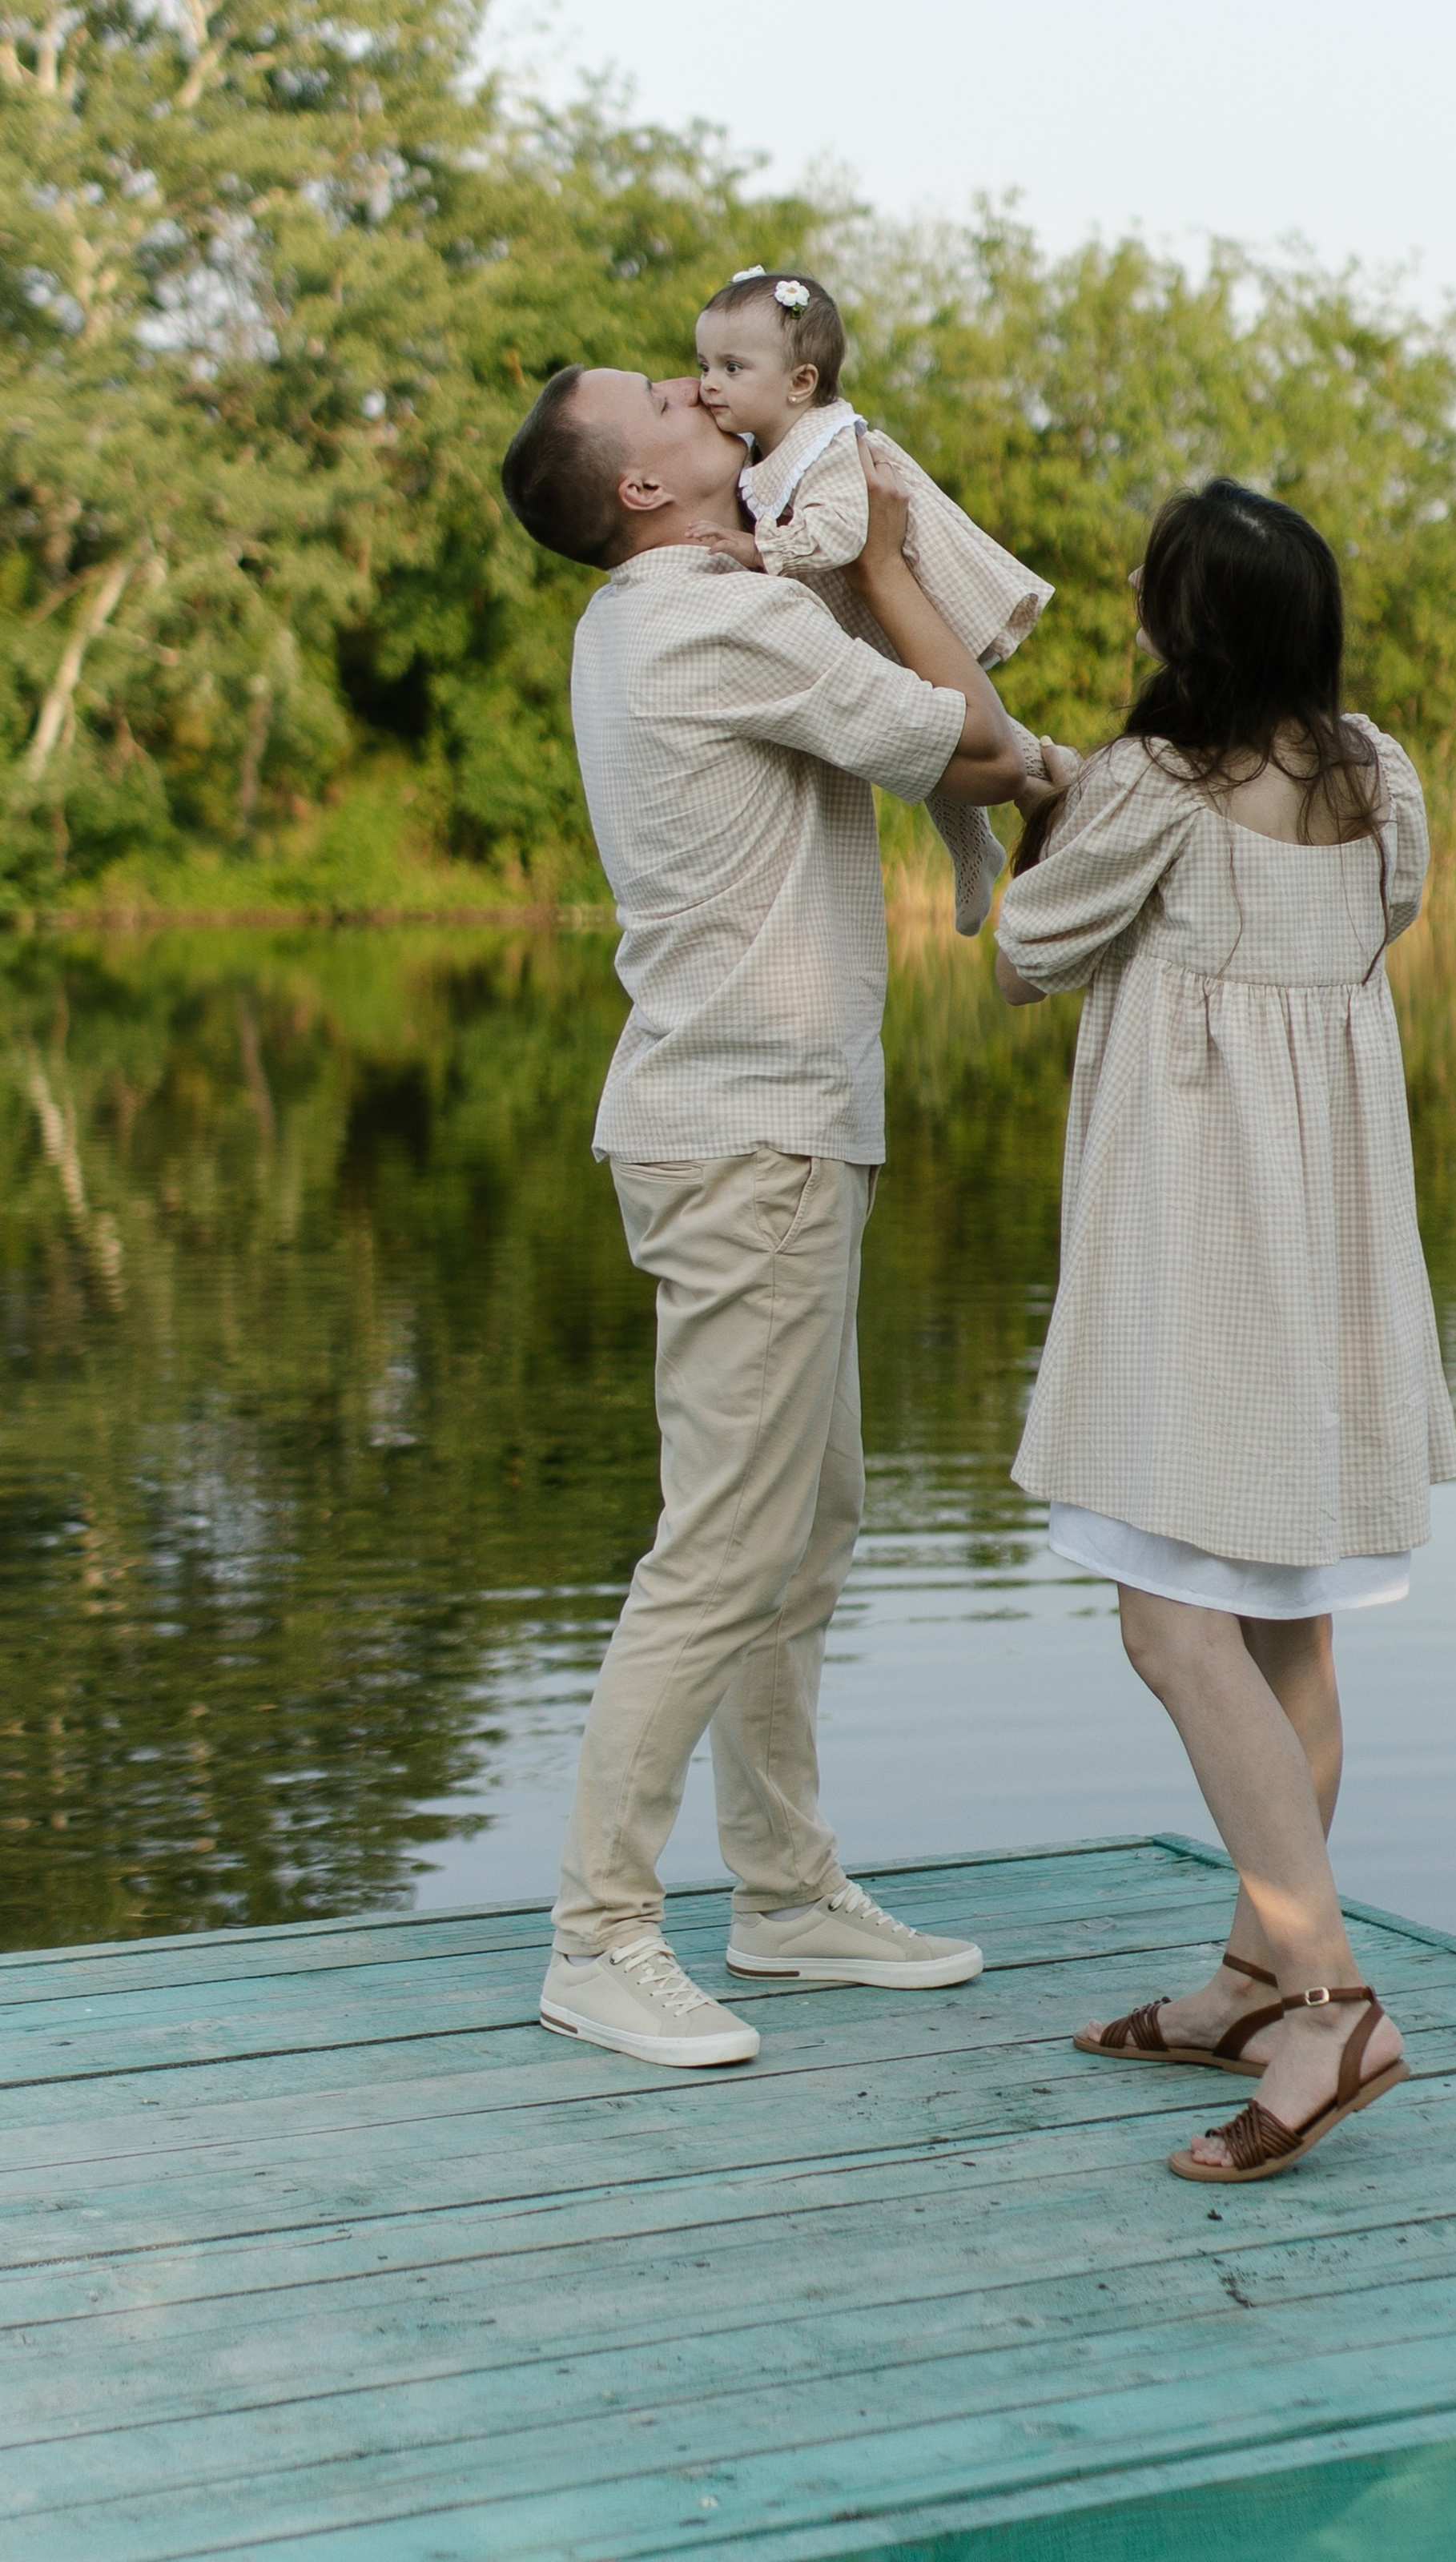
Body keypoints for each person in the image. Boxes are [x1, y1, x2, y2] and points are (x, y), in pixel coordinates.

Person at [500, 364, 1051, 2069]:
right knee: (728, 1545)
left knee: (803, 1528)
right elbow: (969, 746)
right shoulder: (708, 623)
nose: (692, 384)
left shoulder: (666, 609)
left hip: (762, 1133)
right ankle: (598, 1937)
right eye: (658, 398)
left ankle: (787, 1893)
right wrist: (880, 556)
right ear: (640, 490)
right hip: (749, 1140)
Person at [995, 477, 1456, 2182]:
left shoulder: (1150, 785)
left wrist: (1051, 804)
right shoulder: (1379, 778)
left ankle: (1330, 1999)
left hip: (1188, 1247)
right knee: (1287, 1629)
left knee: (1171, 1627)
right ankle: (1254, 1977)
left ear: (1183, 626)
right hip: (1331, 1249)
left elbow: (1026, 954)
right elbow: (1374, 921)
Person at [691, 267, 1050, 936]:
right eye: (704, 365)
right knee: (932, 741)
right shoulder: (770, 447)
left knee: (954, 727)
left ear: (801, 382)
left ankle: (1056, 775)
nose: (708, 384)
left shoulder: (828, 445)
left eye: (732, 368)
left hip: (894, 608)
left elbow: (841, 529)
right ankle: (978, 844)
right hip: (855, 614)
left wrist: (759, 548)